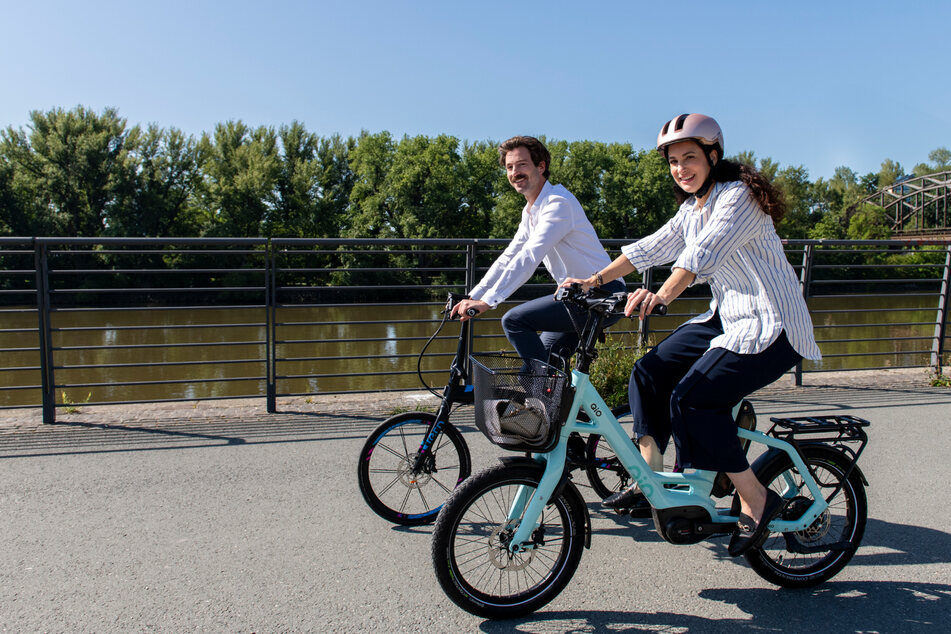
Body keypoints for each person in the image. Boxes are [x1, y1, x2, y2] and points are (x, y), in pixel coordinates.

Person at [561, 114, 821, 556]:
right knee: (649, 371)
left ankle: (756, 498)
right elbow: (651, 247)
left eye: (690, 158)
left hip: (771, 322)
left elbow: (704, 253)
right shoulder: (691, 208)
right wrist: (592, 281)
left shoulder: (737, 197)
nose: (681, 169)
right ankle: (651, 478)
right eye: (674, 162)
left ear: (712, 156)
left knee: (693, 398)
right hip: (726, 316)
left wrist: (661, 294)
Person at [451, 136, 624, 367]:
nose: (515, 172)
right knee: (540, 365)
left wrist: (489, 302)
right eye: (510, 167)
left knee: (515, 321)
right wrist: (474, 295)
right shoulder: (531, 210)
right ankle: (559, 401)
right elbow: (509, 257)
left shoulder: (557, 203)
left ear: (541, 166)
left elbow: (530, 256)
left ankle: (544, 395)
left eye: (522, 164)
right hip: (578, 298)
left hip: (601, 293)